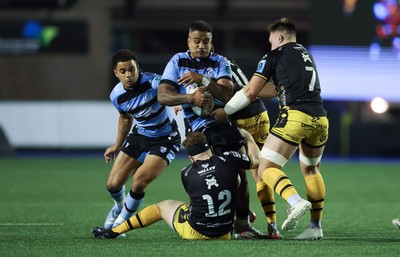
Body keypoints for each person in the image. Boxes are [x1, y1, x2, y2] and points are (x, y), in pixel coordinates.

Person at [212, 17, 329, 240]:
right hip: (320, 118)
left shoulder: (275, 55)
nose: (270, 45)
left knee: (265, 168)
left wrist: (225, 111)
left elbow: (250, 92)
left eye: (271, 41)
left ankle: (295, 201)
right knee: (311, 171)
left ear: (280, 37)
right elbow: (276, 88)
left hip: (296, 117)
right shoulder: (305, 54)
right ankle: (315, 226)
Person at [157, 19, 266, 239]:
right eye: (196, 41)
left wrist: (203, 79)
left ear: (211, 42)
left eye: (205, 41)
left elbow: (227, 95)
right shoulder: (177, 61)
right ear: (188, 41)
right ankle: (213, 222)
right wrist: (190, 98)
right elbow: (162, 95)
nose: (201, 46)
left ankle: (242, 225)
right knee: (212, 178)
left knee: (240, 177)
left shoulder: (220, 62)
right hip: (199, 131)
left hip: (223, 125)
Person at [92, 129, 260, 240]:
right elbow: (256, 162)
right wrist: (249, 138)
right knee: (233, 182)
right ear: (209, 148)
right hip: (225, 234)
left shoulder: (186, 173)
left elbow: (198, 196)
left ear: (191, 158)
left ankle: (114, 231)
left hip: (195, 232)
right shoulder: (227, 158)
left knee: (161, 207)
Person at [102, 49, 181, 231]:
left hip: (165, 139)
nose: (128, 74)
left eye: (132, 69)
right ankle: (120, 206)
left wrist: (177, 101)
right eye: (123, 71)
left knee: (138, 182)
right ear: (116, 73)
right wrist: (117, 144)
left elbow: (169, 89)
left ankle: (119, 226)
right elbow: (126, 117)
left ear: (138, 68)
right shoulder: (116, 96)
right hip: (140, 136)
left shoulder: (153, 81)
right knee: (113, 185)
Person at [227, 58, 282, 239]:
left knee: (224, 169)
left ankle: (241, 214)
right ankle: (271, 224)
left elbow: (224, 91)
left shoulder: (212, 65)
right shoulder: (229, 61)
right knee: (261, 172)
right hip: (260, 114)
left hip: (239, 120)